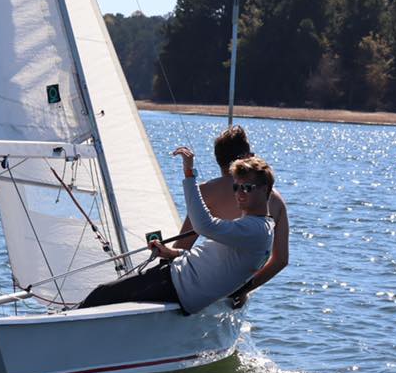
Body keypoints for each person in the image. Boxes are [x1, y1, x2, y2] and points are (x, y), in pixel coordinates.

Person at [77, 147, 275, 315]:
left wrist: (189, 174)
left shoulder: (255, 230)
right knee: (104, 295)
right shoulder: (255, 226)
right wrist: (172, 253)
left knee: (100, 294)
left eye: (247, 188)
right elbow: (214, 260)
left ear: (265, 189)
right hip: (174, 278)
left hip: (174, 286)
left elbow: (204, 225)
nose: (239, 194)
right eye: (236, 187)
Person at [173, 126, 289, 307]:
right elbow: (280, 260)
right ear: (247, 158)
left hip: (195, 289)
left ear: (218, 160)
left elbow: (182, 246)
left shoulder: (205, 192)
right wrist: (243, 290)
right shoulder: (275, 199)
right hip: (232, 296)